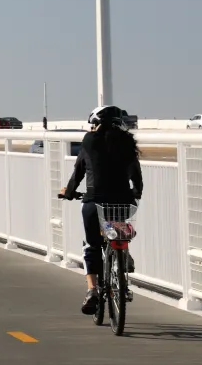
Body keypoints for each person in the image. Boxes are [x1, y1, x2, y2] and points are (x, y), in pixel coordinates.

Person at [61, 104, 143, 315]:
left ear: (95, 124)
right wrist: (136, 191)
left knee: (91, 244)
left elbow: (79, 170)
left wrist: (69, 192)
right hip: (124, 202)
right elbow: (135, 173)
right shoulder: (127, 142)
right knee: (119, 224)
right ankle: (123, 252)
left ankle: (92, 291)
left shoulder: (89, 141)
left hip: (94, 202)